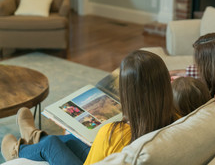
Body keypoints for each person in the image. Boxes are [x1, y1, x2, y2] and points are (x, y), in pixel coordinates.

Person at [1, 50, 179, 165]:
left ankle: (16, 152)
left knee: (52, 144)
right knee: (72, 141)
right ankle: (32, 135)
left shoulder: (112, 133)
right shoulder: (176, 118)